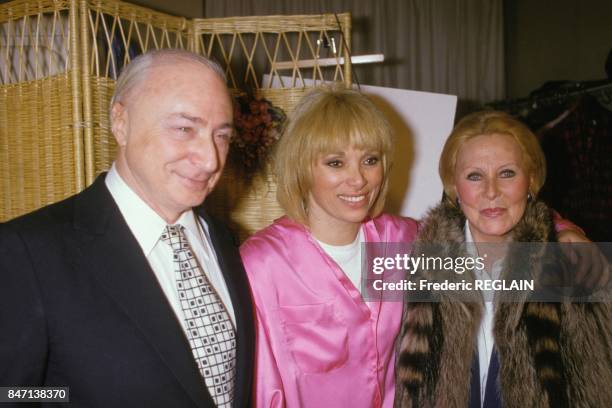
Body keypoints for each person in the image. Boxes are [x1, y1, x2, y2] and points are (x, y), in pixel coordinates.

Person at [239, 88, 590, 407]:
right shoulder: (263, 264)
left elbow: (485, 222)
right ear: (301, 169)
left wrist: (562, 230)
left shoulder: (403, 241)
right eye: (335, 163)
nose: (358, 179)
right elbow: (259, 389)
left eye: (370, 160)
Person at [0, 49, 254, 407]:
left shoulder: (223, 239)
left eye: (222, 136)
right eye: (184, 129)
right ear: (121, 122)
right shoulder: (27, 252)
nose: (210, 159)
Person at [395, 111, 611, 407]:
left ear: (531, 181)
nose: (491, 191)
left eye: (507, 173)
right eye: (474, 176)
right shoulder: (416, 261)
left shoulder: (574, 267)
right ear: (454, 188)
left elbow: (596, 387)